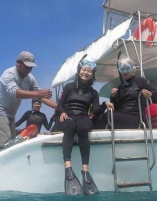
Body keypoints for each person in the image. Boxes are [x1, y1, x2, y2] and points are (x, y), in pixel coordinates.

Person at [56, 59, 113, 195]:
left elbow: (95, 111)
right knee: (70, 125)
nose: (86, 73)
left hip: (83, 117)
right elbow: (60, 104)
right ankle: (68, 169)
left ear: (92, 75)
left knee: (83, 128)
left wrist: (105, 104)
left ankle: (85, 171)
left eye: (89, 71)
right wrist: (62, 112)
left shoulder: (94, 93)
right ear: (79, 71)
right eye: (84, 70)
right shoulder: (69, 87)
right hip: (67, 116)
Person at [0, 51, 57, 151]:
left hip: (11, 114)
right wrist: (38, 94)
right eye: (26, 66)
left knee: (12, 143)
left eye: (31, 67)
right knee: (5, 140)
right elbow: (16, 93)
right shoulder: (8, 74)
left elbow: (42, 97)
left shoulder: (30, 79)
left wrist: (59, 107)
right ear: (18, 62)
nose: (29, 70)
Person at [102, 57, 157, 129]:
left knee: (106, 116)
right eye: (122, 69)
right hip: (123, 116)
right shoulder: (121, 86)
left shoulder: (141, 81)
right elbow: (115, 107)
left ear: (133, 69)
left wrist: (150, 94)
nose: (125, 72)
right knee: (100, 118)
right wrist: (113, 96)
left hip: (137, 118)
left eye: (127, 68)